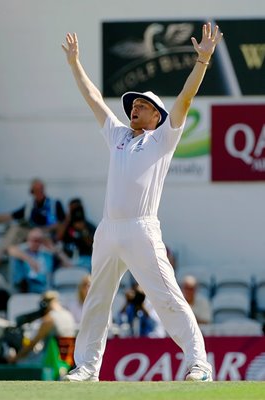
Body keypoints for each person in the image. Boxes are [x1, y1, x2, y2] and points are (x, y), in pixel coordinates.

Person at [61, 22, 222, 382]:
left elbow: (185, 100)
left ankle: (200, 363)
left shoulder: (163, 138)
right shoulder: (118, 134)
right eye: (133, 103)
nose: (134, 106)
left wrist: (203, 61)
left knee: (166, 297)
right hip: (108, 230)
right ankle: (86, 367)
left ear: (157, 116)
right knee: (97, 301)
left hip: (142, 229)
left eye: (143, 104)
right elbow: (93, 98)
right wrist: (75, 64)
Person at [0, 178, 66, 264]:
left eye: (41, 189)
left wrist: (45, 229)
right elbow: (11, 216)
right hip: (30, 233)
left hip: (47, 234)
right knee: (15, 229)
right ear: (32, 191)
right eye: (36, 190)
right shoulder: (29, 206)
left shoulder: (55, 204)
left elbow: (62, 223)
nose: (39, 192)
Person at [7, 290, 76, 364]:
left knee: (21, 362)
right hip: (67, 361)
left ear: (43, 304)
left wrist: (16, 357)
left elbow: (32, 344)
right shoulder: (69, 315)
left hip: (53, 362)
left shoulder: (49, 319)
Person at [8, 228, 72, 294]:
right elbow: (11, 250)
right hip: (27, 288)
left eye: (39, 240)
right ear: (28, 239)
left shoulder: (47, 255)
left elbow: (69, 265)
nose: (36, 243)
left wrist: (55, 249)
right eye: (33, 240)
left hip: (46, 288)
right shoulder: (22, 252)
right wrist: (30, 260)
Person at [57, 199, 96, 273]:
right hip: (67, 259)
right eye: (73, 209)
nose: (76, 211)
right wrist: (67, 220)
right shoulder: (66, 226)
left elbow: (93, 245)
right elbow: (58, 238)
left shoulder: (89, 226)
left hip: (85, 259)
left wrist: (83, 230)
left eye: (78, 208)